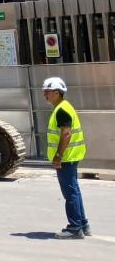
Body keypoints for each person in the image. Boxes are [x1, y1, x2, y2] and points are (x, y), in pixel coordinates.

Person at [42, 76, 90, 239]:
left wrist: (58, 156)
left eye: (47, 92)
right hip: (71, 156)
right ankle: (83, 224)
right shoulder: (64, 107)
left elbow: (66, 133)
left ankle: (75, 228)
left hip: (66, 157)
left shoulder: (62, 109)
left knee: (70, 193)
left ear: (56, 93)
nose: (45, 95)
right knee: (74, 191)